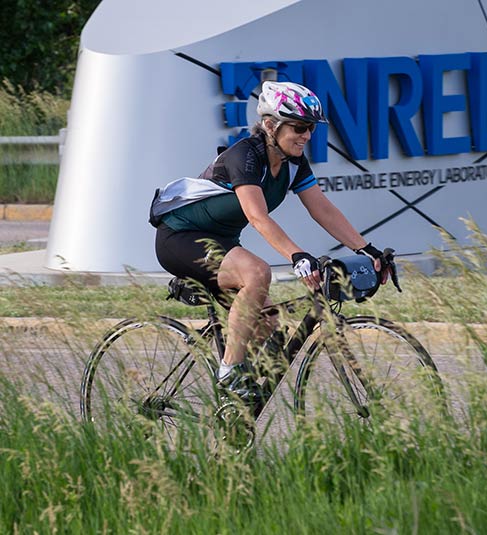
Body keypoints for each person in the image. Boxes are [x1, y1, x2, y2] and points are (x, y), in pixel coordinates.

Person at [152, 81, 390, 402]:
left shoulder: (294, 164)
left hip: (222, 243)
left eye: (311, 129)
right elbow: (257, 217)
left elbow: (323, 210)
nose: (306, 136)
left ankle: (237, 413)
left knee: (267, 325)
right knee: (258, 273)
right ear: (270, 125)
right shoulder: (244, 156)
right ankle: (230, 372)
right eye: (300, 127)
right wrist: (297, 256)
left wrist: (367, 249)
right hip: (180, 238)